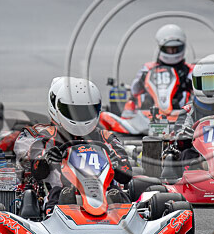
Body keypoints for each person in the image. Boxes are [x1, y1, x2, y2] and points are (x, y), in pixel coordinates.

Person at [13, 76, 133, 215]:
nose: (79, 117)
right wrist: (46, 159)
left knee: (117, 192)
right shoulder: (44, 136)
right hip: (59, 193)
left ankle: (122, 212)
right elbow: (36, 170)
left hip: (103, 193)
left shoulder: (106, 137)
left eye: (86, 111)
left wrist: (116, 162)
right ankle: (58, 210)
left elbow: (126, 175)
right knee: (60, 192)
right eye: (72, 111)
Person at [130, 24, 193, 109]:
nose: (171, 52)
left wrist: (190, 83)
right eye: (168, 49)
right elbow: (134, 91)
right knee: (142, 98)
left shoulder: (190, 70)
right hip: (152, 110)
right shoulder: (148, 68)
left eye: (175, 49)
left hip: (181, 112)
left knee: (187, 96)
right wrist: (142, 80)